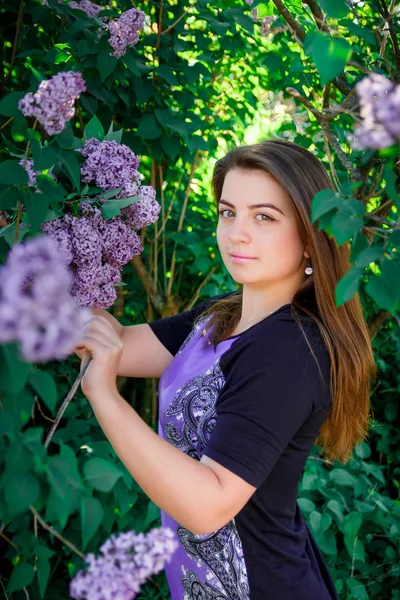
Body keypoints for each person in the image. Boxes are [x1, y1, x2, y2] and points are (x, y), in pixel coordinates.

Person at [75, 139, 376, 600]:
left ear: (312, 239)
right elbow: (114, 342)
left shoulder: (290, 352)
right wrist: (39, 249)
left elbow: (207, 505)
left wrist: (104, 396)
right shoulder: (221, 317)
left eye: (264, 217)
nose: (236, 233)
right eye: (227, 212)